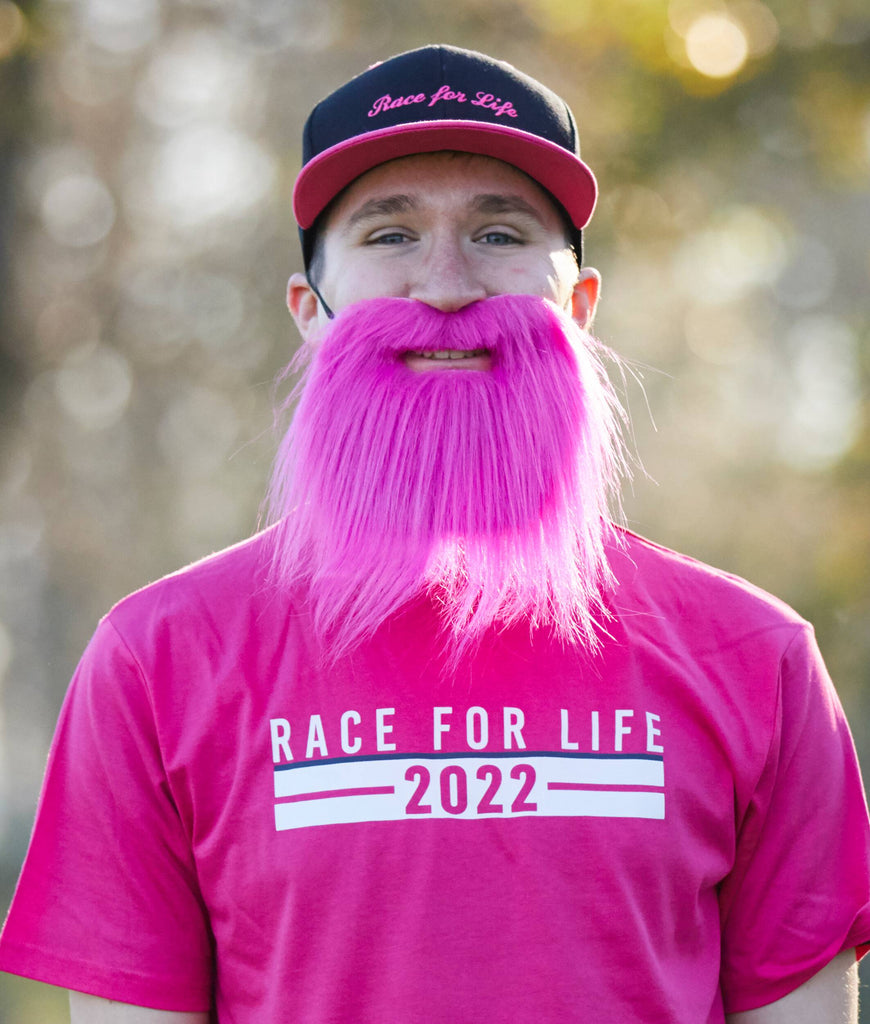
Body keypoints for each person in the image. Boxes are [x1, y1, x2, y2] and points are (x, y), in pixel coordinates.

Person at [1, 44, 869, 1024]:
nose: (446, 284)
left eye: (499, 233)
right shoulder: (157, 660)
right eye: (390, 234)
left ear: (579, 307)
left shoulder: (755, 658)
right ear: (309, 313)